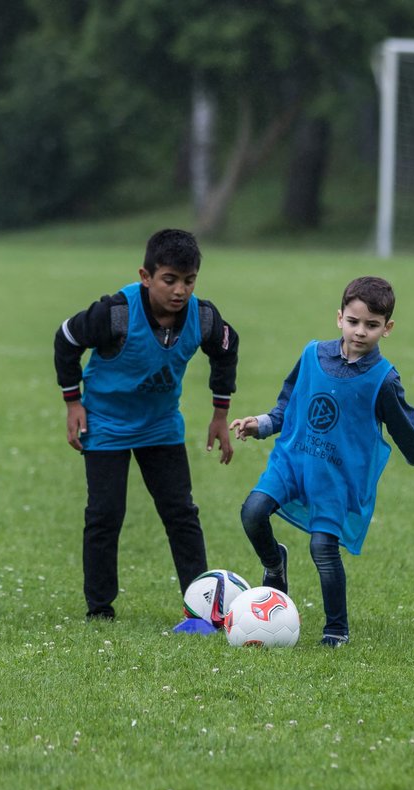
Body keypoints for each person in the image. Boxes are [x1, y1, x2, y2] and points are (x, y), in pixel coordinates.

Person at [230, 276, 414, 646]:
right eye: (354, 322)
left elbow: (406, 426)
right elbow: (289, 405)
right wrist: (261, 424)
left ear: (387, 329)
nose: (360, 331)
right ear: (339, 317)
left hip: (336, 478)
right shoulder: (312, 355)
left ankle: (336, 628)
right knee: (253, 512)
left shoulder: (383, 380)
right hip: (293, 461)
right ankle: (275, 565)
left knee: (323, 548)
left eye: (372, 325)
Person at [54, 228, 238, 621]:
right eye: (169, 280)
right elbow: (66, 339)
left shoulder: (204, 317)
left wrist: (220, 414)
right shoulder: (115, 313)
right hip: (105, 424)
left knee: (181, 514)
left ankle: (202, 608)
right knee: (105, 515)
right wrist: (73, 404)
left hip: (160, 426)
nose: (180, 291)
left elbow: (226, 348)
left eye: (189, 281)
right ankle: (99, 609)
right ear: (145, 276)